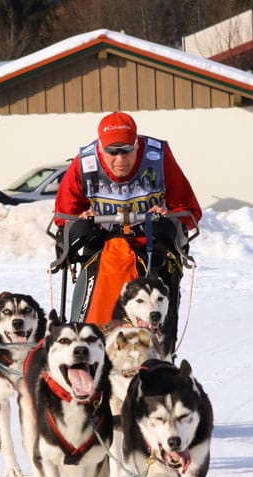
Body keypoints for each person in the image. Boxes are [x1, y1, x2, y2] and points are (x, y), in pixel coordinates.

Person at [54, 111, 202, 333]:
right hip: (102, 246)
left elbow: (189, 210)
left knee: (159, 288)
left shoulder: (158, 157)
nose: (120, 159)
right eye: (112, 152)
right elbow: (64, 215)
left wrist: (168, 214)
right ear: (101, 148)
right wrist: (80, 220)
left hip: (150, 245)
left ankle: (158, 347)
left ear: (137, 144)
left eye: (127, 151)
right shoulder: (85, 163)